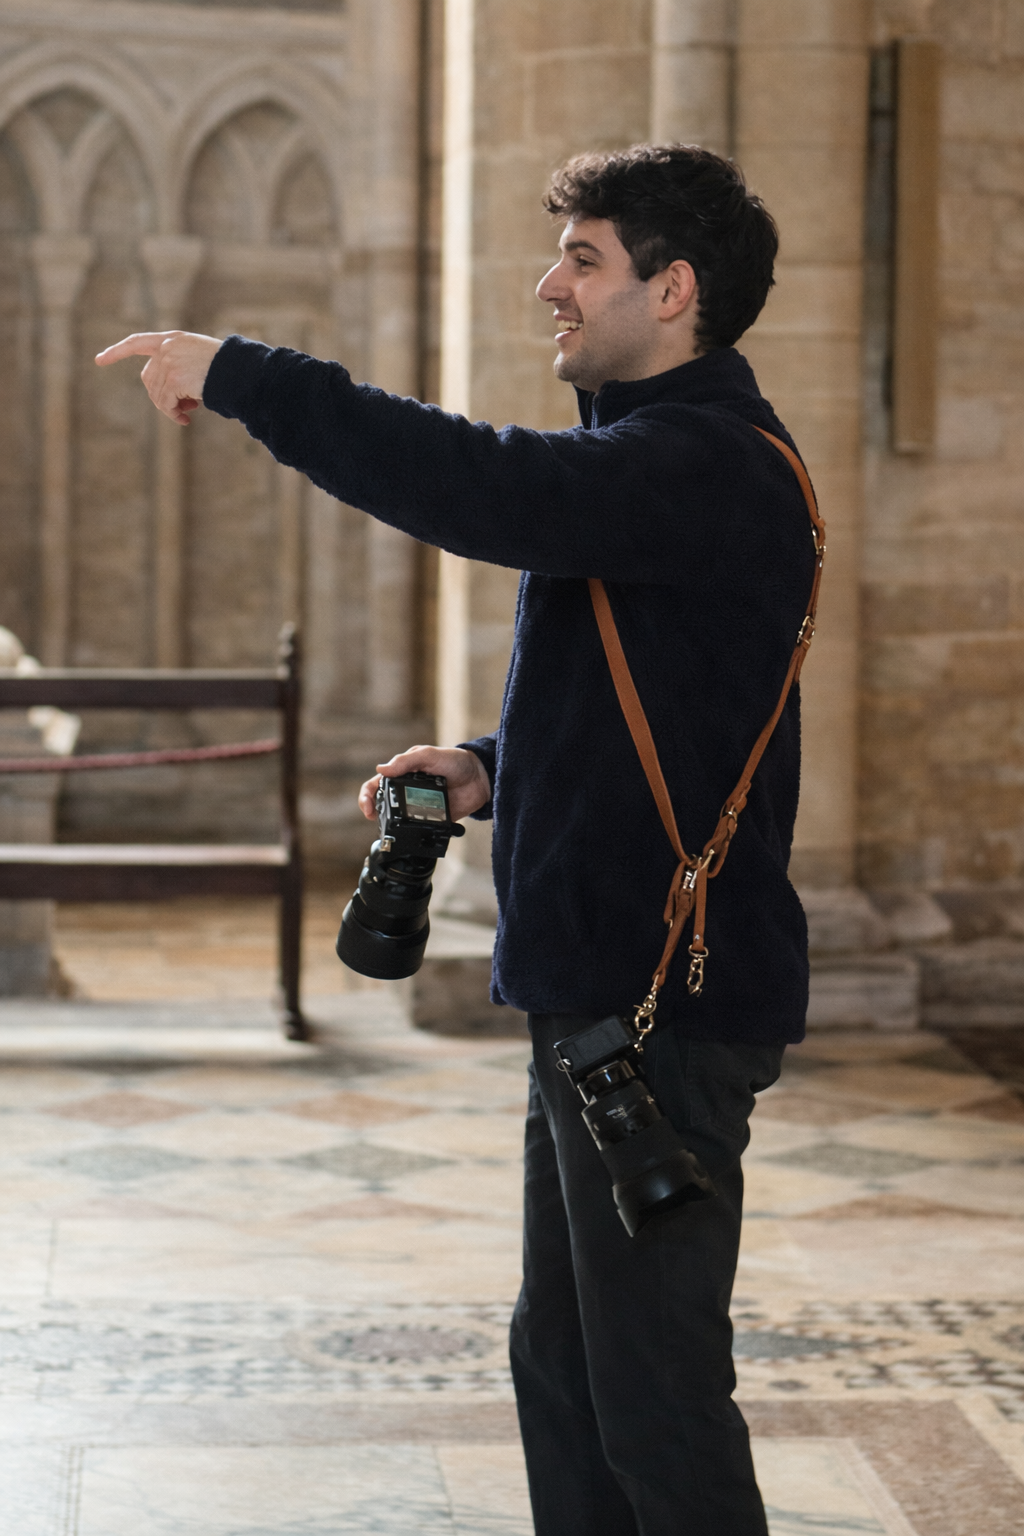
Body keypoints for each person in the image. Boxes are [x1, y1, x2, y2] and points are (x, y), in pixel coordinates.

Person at [98, 143, 817, 1536]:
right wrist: (490, 769)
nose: (549, 286)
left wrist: (242, 370)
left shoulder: (704, 461)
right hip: (607, 995)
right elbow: (686, 707)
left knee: (654, 1393)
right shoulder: (655, 463)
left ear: (675, 292)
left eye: (585, 260)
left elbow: (475, 484)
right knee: (566, 1371)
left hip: (663, 1003)